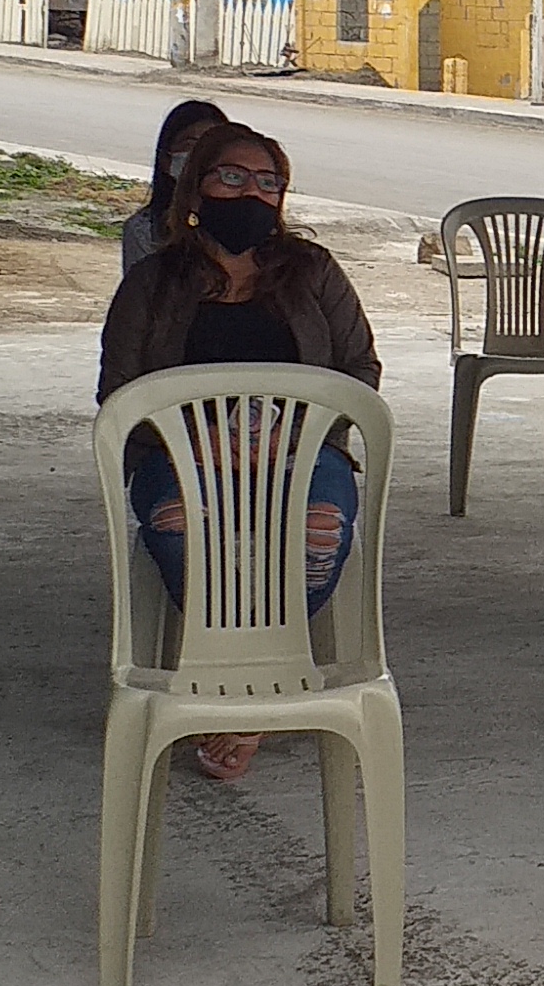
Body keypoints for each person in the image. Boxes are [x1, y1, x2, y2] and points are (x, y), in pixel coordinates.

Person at [95, 120, 381, 783]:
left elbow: (359, 369)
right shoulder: (153, 282)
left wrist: (294, 437)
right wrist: (197, 443)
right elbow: (119, 391)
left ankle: (250, 685)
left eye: (268, 182)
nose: (251, 192)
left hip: (302, 453)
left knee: (319, 531)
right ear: (196, 188)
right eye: (232, 177)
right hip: (181, 457)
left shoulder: (313, 271)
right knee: (180, 527)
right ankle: (237, 676)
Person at [119, 99, 229, 274]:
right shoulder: (144, 231)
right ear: (166, 159)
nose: (202, 155)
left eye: (214, 146)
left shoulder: (248, 221)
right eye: (191, 145)